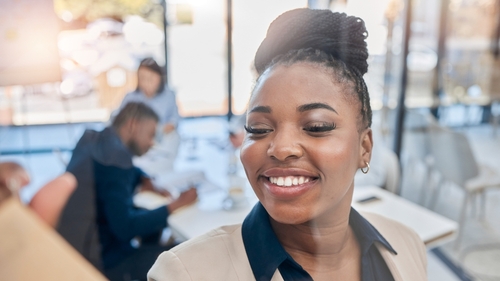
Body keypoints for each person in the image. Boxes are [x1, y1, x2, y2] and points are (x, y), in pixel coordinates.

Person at [148, 8, 427, 281]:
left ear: (365, 148)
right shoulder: (184, 273)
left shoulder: (408, 246)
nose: (281, 148)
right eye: (258, 129)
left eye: (316, 127)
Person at [58, 102, 197, 281]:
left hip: (74, 245)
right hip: (100, 261)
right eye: (150, 135)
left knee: (152, 223)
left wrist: (143, 178)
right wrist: (176, 204)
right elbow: (124, 228)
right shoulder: (118, 159)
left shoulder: (92, 138)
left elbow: (111, 173)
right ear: (133, 125)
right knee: (184, 253)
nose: (151, 143)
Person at [117, 57, 181, 173]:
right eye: (142, 78)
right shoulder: (130, 98)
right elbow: (117, 122)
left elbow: (175, 120)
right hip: (136, 147)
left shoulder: (169, 95)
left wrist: (160, 131)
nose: (146, 82)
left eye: (150, 78)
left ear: (159, 78)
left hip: (161, 143)